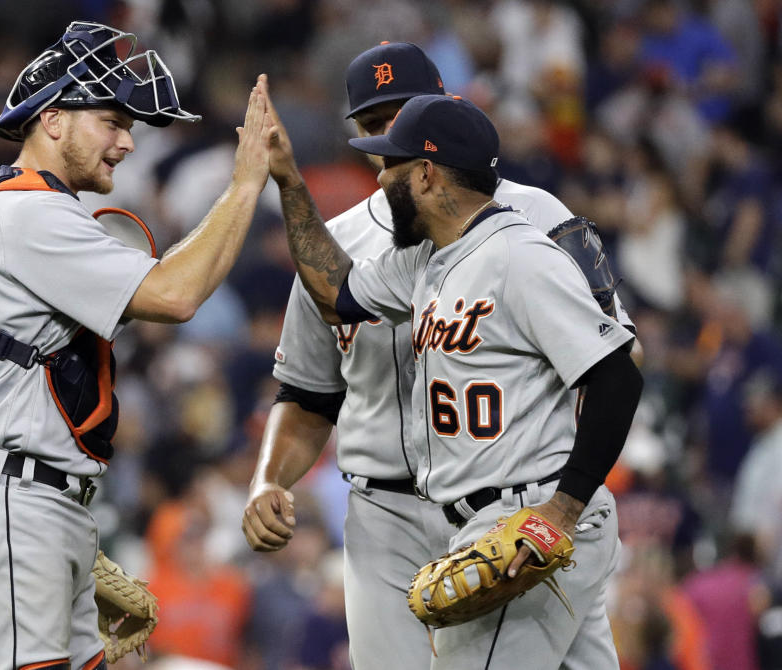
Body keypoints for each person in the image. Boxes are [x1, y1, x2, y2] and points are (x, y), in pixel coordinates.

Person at [241, 42, 640, 669]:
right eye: (374, 129)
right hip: (392, 511)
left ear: (434, 149)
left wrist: (564, 504)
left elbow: (617, 365)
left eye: (401, 127)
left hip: (524, 506)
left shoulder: (529, 231)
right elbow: (334, 305)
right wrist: (290, 183)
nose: (382, 152)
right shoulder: (405, 254)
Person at [0, 21, 272, 670]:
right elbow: (174, 295)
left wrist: (62, 519)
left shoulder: (7, 207)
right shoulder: (27, 212)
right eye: (110, 121)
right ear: (53, 120)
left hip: (28, 495)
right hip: (10, 496)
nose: (127, 141)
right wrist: (245, 183)